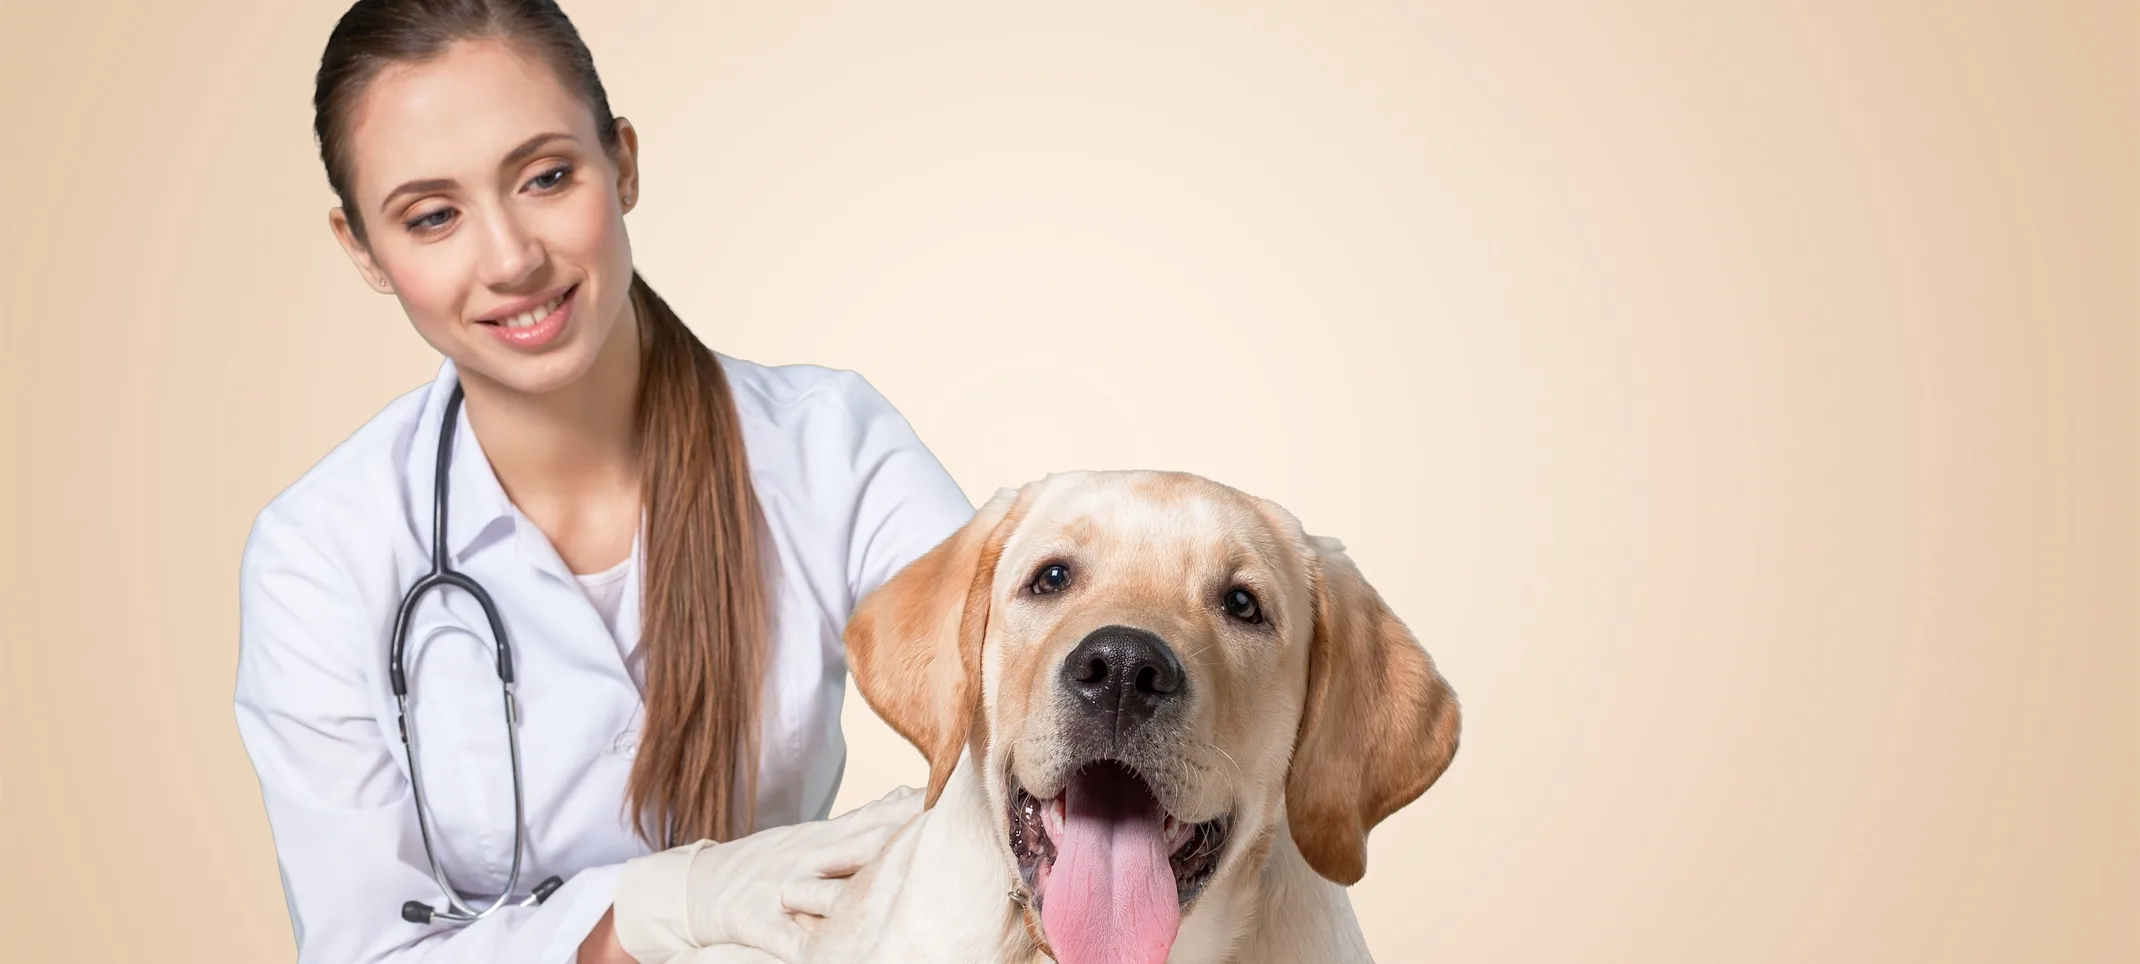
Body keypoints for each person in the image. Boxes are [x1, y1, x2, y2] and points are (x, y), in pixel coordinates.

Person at [231, 2, 974, 962]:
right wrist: (660, 911)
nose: (510, 259)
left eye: (546, 177)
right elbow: (366, 951)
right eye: (432, 217)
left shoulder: (830, 450)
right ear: (363, 248)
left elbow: (1016, 724)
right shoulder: (320, 556)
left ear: (621, 163)